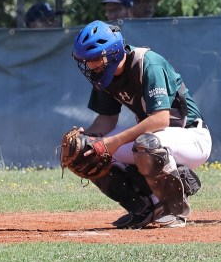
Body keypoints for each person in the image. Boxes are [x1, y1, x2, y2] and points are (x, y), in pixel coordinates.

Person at [70, 20, 212, 228]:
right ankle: (146, 207)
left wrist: (114, 142)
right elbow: (107, 119)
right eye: (87, 60)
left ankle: (174, 209)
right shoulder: (104, 75)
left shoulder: (148, 63)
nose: (91, 65)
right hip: (158, 139)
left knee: (146, 144)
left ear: (114, 52)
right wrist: (86, 139)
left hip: (192, 138)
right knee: (88, 151)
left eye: (96, 58)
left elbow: (160, 118)